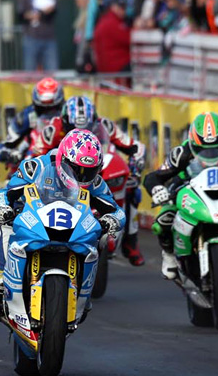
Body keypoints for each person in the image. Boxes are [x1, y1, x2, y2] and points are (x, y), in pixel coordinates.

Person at [0, 130, 124, 364]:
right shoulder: (35, 167)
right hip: (21, 224)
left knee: (94, 246)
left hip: (68, 229)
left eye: (89, 171)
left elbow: (116, 209)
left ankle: (80, 300)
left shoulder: (94, 182)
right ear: (63, 159)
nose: (82, 175)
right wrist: (4, 209)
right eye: (77, 169)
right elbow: (6, 194)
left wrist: (112, 220)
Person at [143, 112, 218, 279]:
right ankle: (169, 254)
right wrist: (158, 190)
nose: (210, 156)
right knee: (164, 218)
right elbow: (154, 177)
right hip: (189, 189)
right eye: (202, 150)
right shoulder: (181, 153)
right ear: (192, 144)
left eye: (217, 149)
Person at [45, 96, 147, 265]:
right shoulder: (53, 128)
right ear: (65, 122)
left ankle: (131, 243)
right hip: (64, 173)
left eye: (87, 128)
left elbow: (134, 146)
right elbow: (36, 152)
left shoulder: (106, 125)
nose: (81, 134)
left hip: (97, 169)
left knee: (133, 189)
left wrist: (137, 161)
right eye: (74, 128)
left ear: (94, 121)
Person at [0, 77, 65, 167]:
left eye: (53, 109)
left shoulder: (68, 115)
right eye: (42, 109)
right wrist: (11, 154)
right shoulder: (27, 116)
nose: (49, 117)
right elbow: (3, 147)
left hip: (62, 165)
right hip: (30, 164)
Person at [17, 0, 59, 71]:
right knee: (30, 72)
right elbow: (20, 15)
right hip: (31, 38)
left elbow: (53, 11)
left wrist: (42, 14)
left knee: (52, 71)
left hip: (48, 38)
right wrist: (31, 15)